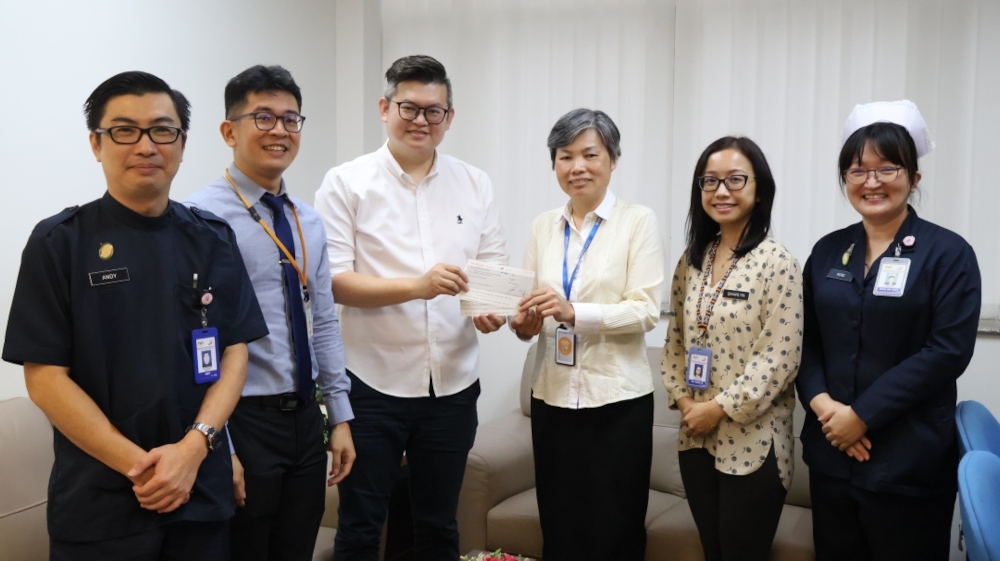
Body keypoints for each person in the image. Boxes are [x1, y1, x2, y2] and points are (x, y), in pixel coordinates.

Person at [2, 71, 268, 560]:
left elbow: (234, 351)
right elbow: (45, 378)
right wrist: (142, 468)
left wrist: (193, 451)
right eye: (125, 130)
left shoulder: (211, 237)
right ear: (96, 143)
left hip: (200, 494)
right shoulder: (59, 242)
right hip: (101, 502)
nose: (146, 145)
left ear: (182, 144)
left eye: (162, 130)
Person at [314, 54, 509, 560]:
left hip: (452, 384)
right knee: (360, 528)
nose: (421, 120)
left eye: (434, 110)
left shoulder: (475, 183)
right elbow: (333, 281)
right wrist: (417, 287)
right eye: (409, 107)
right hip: (371, 385)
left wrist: (491, 312)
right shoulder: (346, 182)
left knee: (440, 526)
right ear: (384, 108)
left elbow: (490, 272)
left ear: (449, 116)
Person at [796, 100, 981, 561]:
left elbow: (947, 352)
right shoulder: (827, 252)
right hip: (832, 455)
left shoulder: (948, 254)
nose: (871, 182)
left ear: (914, 177)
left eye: (887, 168)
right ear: (845, 179)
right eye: (858, 170)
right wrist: (826, 409)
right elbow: (805, 342)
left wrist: (861, 415)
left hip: (909, 463)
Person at [185, 65, 355, 561]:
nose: (279, 130)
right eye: (263, 117)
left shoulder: (308, 220)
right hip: (242, 419)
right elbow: (198, 341)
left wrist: (339, 417)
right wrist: (223, 443)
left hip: (304, 419)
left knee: (296, 548)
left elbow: (321, 320)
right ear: (228, 130)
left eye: (290, 119)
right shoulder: (200, 219)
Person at [511, 109, 664, 560]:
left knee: (615, 525)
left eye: (590, 154)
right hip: (553, 397)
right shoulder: (543, 226)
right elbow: (526, 313)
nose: (577, 166)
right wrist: (523, 324)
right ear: (554, 164)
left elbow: (645, 310)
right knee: (560, 522)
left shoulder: (638, 221)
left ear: (613, 159)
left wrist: (574, 312)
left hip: (617, 401)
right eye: (565, 156)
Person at [661, 136, 803, 561]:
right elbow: (676, 341)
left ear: (759, 189)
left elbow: (779, 357)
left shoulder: (778, 262)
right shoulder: (692, 260)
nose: (721, 191)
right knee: (713, 551)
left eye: (735, 180)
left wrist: (716, 408)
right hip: (696, 438)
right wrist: (685, 400)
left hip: (754, 441)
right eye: (710, 181)